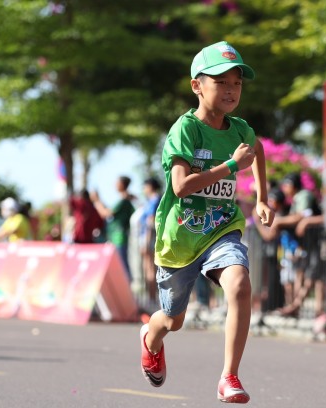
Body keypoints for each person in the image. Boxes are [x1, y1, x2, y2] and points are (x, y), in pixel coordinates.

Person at [140, 40, 273, 404]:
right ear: (197, 86)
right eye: (221, 82)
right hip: (180, 239)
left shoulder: (240, 129)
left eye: (237, 83)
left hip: (221, 229)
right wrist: (231, 166)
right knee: (172, 321)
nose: (231, 90)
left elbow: (256, 149)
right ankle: (150, 339)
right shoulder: (185, 130)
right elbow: (181, 187)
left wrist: (262, 197)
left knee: (240, 285)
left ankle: (229, 376)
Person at [270, 173, 321, 317]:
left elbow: (302, 215)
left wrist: (279, 222)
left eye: (286, 184)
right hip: (306, 243)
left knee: (312, 276)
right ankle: (294, 307)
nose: (284, 188)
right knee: (301, 275)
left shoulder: (303, 195)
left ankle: (298, 307)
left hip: (315, 241)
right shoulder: (295, 199)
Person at [92, 176, 136, 281]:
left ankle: (127, 292)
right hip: (116, 237)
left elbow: (106, 213)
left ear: (122, 184)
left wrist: (96, 201)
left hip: (119, 237)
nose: (114, 185)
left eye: (117, 182)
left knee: (123, 265)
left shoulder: (123, 200)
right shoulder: (124, 200)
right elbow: (109, 210)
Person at [139, 178, 162, 302]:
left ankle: (152, 298)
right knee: (148, 268)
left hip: (150, 237)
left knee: (150, 268)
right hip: (147, 237)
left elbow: (150, 221)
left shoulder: (154, 200)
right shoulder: (150, 200)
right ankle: (151, 297)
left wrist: (147, 241)